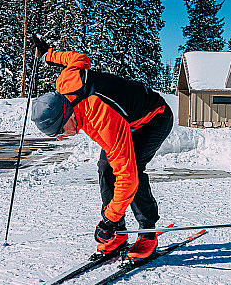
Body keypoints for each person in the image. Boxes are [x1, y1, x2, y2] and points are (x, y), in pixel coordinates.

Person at [29, 35, 173, 261]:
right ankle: (119, 233)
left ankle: (148, 234)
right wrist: (49, 54)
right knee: (106, 167)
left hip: (153, 118)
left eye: (59, 132)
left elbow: (128, 178)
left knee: (132, 169)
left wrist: (109, 219)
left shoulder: (101, 120)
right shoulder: (65, 83)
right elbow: (79, 59)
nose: (61, 138)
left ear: (66, 116)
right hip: (126, 119)